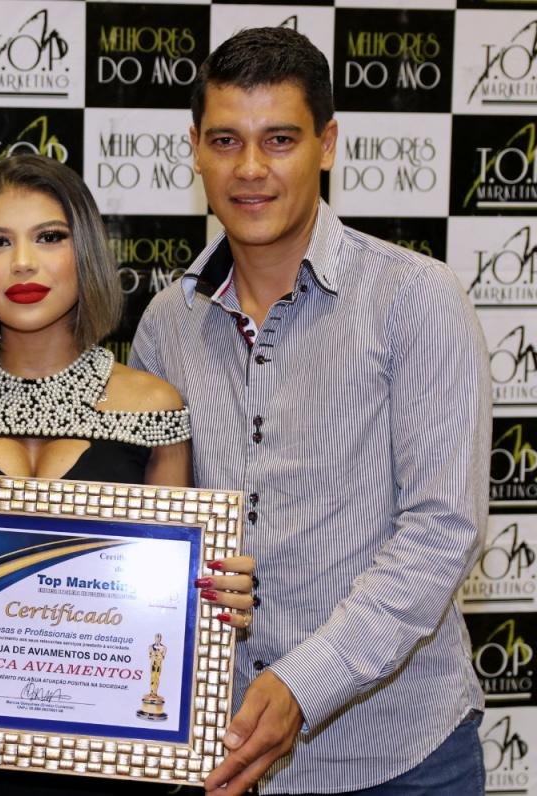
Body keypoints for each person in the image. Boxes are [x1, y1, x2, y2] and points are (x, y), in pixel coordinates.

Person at [130, 27, 491, 796]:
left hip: (402, 759)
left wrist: (305, 682)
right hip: (225, 752)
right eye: (225, 140)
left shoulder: (415, 300)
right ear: (194, 149)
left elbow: (441, 530)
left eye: (279, 140)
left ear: (326, 145)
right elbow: (155, 533)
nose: (249, 168)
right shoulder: (165, 325)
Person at [0, 153, 255, 795]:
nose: (22, 263)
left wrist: (218, 599)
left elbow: (169, 605)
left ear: (83, 252)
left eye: (49, 237)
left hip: (110, 764)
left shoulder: (152, 406)